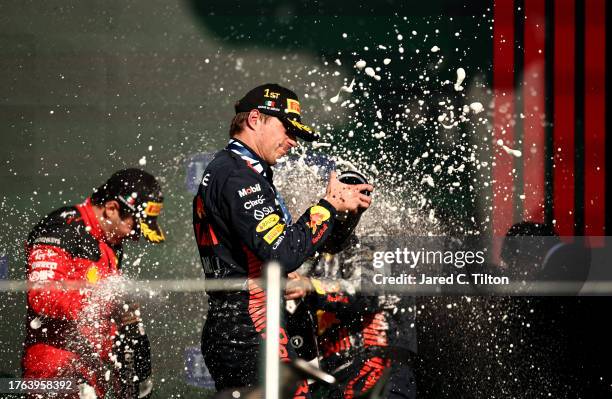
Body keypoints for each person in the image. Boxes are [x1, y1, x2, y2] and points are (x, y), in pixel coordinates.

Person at [193, 83, 374, 395]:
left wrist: (346, 213)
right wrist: (327, 205)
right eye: (287, 129)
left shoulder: (247, 172)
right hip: (249, 327)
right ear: (254, 119)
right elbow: (284, 254)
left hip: (247, 325)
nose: (292, 141)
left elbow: (315, 245)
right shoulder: (237, 176)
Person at [23, 168, 164, 398]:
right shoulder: (61, 228)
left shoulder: (110, 239)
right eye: (135, 226)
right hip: (53, 375)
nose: (136, 236)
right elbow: (42, 296)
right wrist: (104, 299)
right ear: (111, 209)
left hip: (92, 374)